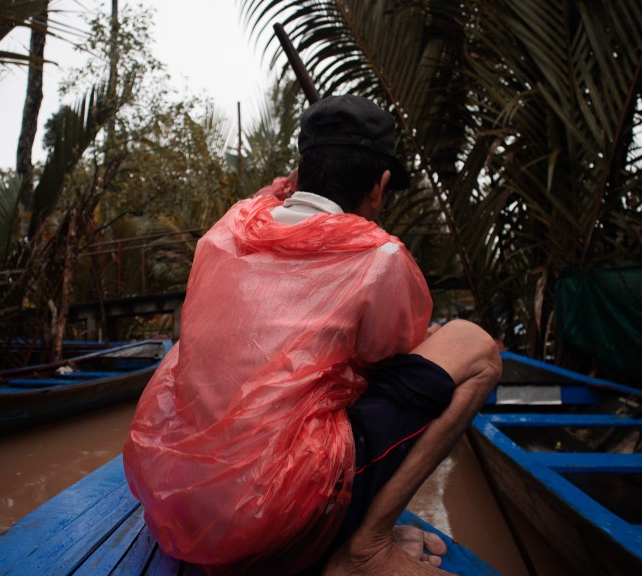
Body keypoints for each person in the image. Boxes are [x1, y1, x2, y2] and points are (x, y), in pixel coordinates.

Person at [123, 95, 501, 575]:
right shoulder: (380, 257)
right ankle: (367, 548)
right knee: (474, 345)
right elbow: (391, 363)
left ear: (298, 175)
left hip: (179, 506)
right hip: (274, 516)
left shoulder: (225, 233)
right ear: (380, 187)